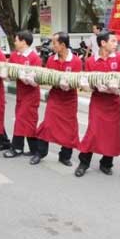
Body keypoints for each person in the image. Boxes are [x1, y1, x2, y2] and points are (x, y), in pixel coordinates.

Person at [76, 30, 120, 177]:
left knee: (111, 134)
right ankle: (83, 162)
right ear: (103, 43)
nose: (116, 44)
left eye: (116, 41)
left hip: (113, 102)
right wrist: (89, 86)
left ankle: (106, 163)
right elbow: (88, 82)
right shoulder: (91, 61)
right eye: (113, 41)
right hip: (98, 102)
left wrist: (118, 88)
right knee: (93, 132)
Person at [30, 32, 82, 166]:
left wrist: (69, 85)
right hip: (55, 97)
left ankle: (65, 156)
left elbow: (78, 81)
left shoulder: (75, 61)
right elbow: (48, 78)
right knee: (47, 124)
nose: (53, 46)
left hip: (69, 99)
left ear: (63, 45)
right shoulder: (51, 60)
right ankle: (40, 152)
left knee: (69, 129)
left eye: (55, 43)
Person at [4, 31, 42, 158]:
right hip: (20, 95)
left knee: (22, 120)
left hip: (31, 95)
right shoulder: (14, 56)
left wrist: (25, 77)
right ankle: (34, 149)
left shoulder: (34, 58)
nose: (14, 42)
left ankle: (17, 148)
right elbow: (9, 73)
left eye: (16, 40)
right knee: (25, 121)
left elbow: (37, 80)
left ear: (23, 42)